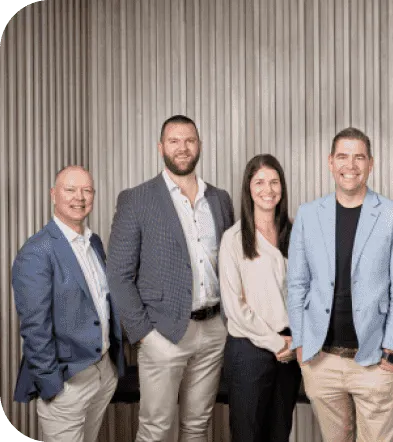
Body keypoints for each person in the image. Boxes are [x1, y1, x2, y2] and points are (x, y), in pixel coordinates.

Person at [107, 115, 234, 442]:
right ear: (161, 147)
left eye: (189, 140)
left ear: (199, 146)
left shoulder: (219, 199)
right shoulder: (137, 199)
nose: (182, 147)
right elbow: (118, 275)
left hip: (213, 330)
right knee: (156, 430)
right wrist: (144, 335)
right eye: (174, 141)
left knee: (197, 426)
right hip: (163, 333)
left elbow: (232, 263)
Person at [287, 127, 393, 442]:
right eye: (343, 156)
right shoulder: (308, 215)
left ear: (370, 163)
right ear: (330, 162)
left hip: (374, 360)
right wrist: (302, 344)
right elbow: (297, 284)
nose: (351, 165)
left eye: (359, 157)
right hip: (321, 360)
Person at [12, 166, 125, 442]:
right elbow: (35, 329)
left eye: (87, 190)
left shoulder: (93, 242)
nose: (80, 197)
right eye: (70, 190)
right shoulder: (36, 251)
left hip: (102, 372)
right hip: (67, 382)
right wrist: (52, 385)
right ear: (53, 195)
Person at [219, 154, 301, 442]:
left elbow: (308, 293)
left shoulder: (295, 232)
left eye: (274, 182)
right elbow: (235, 308)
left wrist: (295, 341)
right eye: (260, 182)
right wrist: (276, 343)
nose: (268, 189)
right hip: (249, 352)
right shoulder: (233, 239)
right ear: (248, 188)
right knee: (248, 435)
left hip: (290, 351)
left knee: (279, 434)